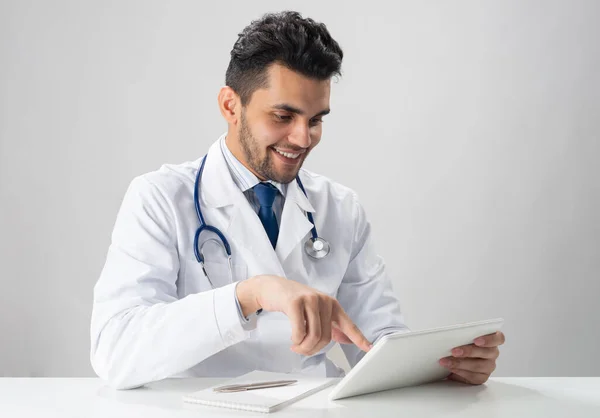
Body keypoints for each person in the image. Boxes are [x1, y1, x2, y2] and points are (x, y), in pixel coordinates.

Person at [90, 11, 505, 390]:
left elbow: (377, 344)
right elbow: (115, 351)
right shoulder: (160, 198)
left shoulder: (339, 207)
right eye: (283, 117)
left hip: (313, 407)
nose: (303, 138)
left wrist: (442, 367)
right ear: (230, 106)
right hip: (202, 408)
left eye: (316, 119)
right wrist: (251, 294)